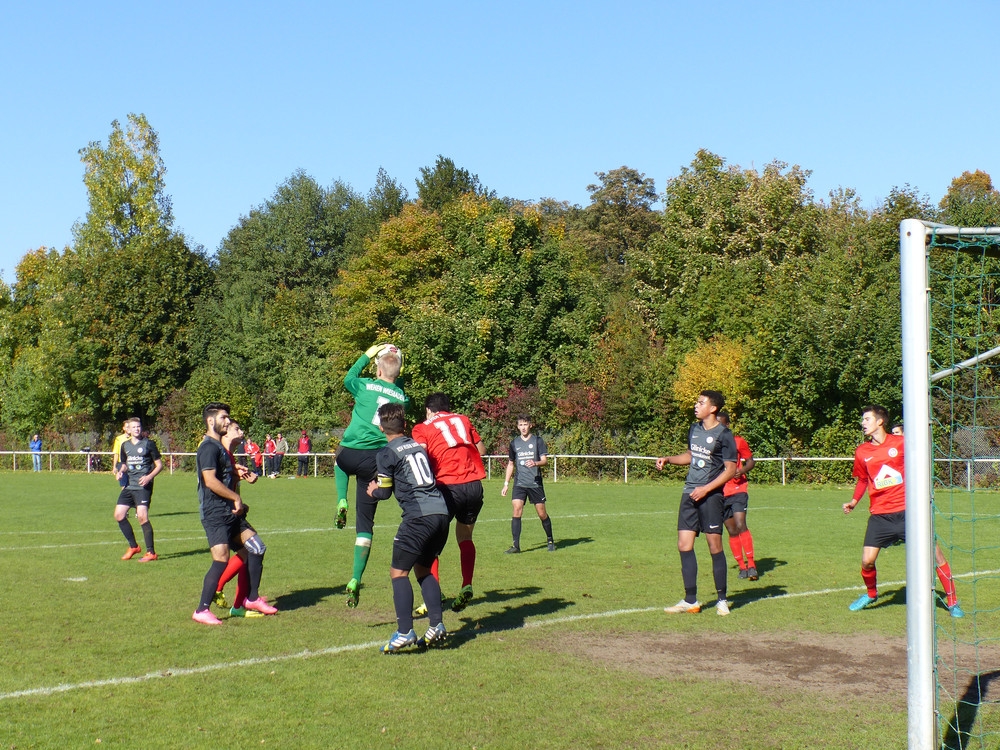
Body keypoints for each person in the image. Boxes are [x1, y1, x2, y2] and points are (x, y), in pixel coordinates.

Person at [845, 407, 963, 617]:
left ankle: (953, 602)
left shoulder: (901, 443)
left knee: (935, 555)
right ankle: (871, 594)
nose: (863, 422)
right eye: (862, 419)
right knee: (867, 561)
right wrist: (854, 501)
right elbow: (863, 479)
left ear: (880, 421)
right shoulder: (862, 451)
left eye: (867, 419)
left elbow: (920, 465)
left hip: (910, 513)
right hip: (880, 515)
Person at [366, 403, 450, 652]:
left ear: (381, 428)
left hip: (418, 517)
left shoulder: (386, 453)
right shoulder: (417, 446)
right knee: (423, 568)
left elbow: (384, 492)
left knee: (398, 572)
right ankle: (436, 625)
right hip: (441, 513)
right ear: (404, 425)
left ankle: (404, 632)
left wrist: (373, 491)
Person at [335, 343, 406, 608]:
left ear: (377, 368)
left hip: (349, 454)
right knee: (365, 527)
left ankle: (340, 499)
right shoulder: (400, 396)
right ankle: (355, 578)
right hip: (375, 462)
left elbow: (348, 378)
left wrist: (366, 353)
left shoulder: (364, 385)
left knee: (339, 462)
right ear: (398, 371)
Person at [192, 403, 277, 625]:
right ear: (211, 421)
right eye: (224, 418)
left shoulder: (218, 447)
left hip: (230, 511)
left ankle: (250, 598)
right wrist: (236, 497)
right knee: (221, 560)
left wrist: (237, 481)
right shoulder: (208, 447)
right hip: (215, 512)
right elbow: (210, 481)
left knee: (256, 548)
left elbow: (224, 477)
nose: (227, 422)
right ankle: (202, 609)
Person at [656, 390, 738, 616]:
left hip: (711, 497)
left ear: (713, 408)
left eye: (701, 402)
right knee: (684, 545)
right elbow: (691, 455)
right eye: (696, 401)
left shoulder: (725, 435)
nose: (696, 405)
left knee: (715, 547)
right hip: (689, 493)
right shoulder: (694, 429)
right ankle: (690, 599)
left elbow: (730, 470)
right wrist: (669, 459)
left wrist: (706, 489)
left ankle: (722, 599)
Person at [412, 392, 487, 612]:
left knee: (430, 543)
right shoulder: (463, 419)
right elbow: (481, 449)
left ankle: (433, 594)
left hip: (447, 486)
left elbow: (421, 457)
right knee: (465, 537)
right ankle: (466, 585)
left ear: (428, 410)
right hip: (473, 485)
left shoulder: (422, 427)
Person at [212, 418, 266, 618]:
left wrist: (241, 502)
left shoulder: (230, 456)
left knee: (248, 552)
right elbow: (212, 483)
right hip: (223, 516)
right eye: (237, 428)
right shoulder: (220, 454)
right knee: (251, 550)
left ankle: (239, 604)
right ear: (225, 433)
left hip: (233, 513)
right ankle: (227, 593)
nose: (241, 431)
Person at [501, 415, 555, 553]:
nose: (523, 427)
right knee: (517, 509)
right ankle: (516, 546)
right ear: (517, 427)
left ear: (530, 425)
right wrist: (506, 483)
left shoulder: (538, 441)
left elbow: (544, 460)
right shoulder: (514, 443)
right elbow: (511, 464)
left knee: (542, 513)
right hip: (520, 483)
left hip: (535, 483)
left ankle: (550, 539)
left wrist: (535, 463)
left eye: (525, 424)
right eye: (521, 425)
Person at [113, 417, 164, 562]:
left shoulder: (149, 444)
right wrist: (121, 471)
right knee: (119, 515)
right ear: (128, 429)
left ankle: (151, 552)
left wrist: (149, 477)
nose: (136, 429)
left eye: (138, 426)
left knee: (142, 516)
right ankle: (134, 546)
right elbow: (123, 463)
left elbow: (159, 465)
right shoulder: (124, 445)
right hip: (129, 485)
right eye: (133, 427)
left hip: (143, 486)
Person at [717, 410, 758, 581]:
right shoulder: (711, 445)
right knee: (732, 530)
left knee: (741, 524)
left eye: (721, 424)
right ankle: (742, 567)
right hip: (720, 491)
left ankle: (752, 565)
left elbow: (751, 461)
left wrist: (741, 471)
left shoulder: (738, 442)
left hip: (738, 489)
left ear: (727, 425)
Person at [111, 420, 130, 487]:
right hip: (122, 463)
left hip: (132, 462)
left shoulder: (135, 438)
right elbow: (116, 453)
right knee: (124, 485)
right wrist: (114, 466)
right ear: (124, 428)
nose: (129, 428)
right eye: (127, 427)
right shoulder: (119, 439)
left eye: (130, 427)